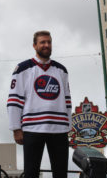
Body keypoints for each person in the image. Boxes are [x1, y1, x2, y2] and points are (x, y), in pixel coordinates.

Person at [7, 30, 72, 178]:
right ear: (34, 45)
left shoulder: (61, 70)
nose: (46, 45)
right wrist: (16, 128)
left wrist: (68, 125)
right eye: (42, 42)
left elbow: (67, 100)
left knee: (61, 172)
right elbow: (14, 100)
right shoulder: (23, 68)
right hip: (32, 127)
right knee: (31, 172)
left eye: (49, 42)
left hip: (59, 128)